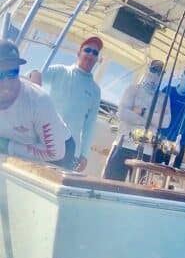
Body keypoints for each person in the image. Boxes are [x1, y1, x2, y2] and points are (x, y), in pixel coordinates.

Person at [29, 36, 102, 172]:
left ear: (97, 58)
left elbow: (90, 125)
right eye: (87, 50)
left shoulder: (95, 90)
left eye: (95, 53)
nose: (91, 54)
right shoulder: (59, 70)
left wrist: (84, 155)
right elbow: (32, 74)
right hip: (45, 141)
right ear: (79, 53)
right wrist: (34, 76)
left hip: (70, 150)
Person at [0, 40, 72, 165]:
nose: (6, 82)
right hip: (21, 142)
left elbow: (55, 153)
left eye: (12, 72)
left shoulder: (39, 100)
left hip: (59, 150)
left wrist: (8, 146)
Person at [103, 59, 165, 180]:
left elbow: (165, 122)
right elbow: (122, 113)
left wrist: (142, 112)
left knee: (138, 188)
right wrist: (151, 120)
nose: (156, 74)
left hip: (146, 151)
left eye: (160, 72)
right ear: (148, 69)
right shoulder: (132, 89)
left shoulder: (164, 98)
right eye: (154, 69)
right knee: (110, 184)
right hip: (123, 144)